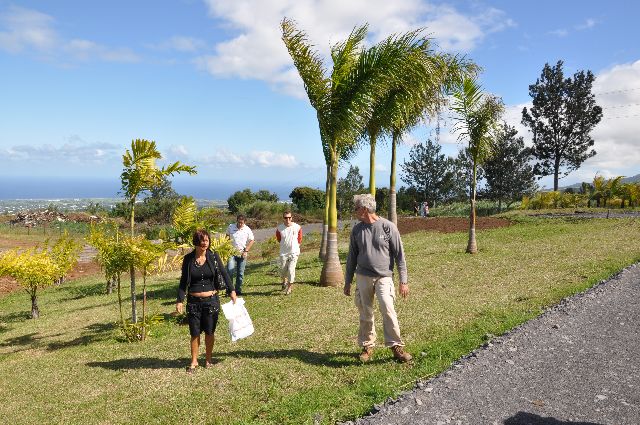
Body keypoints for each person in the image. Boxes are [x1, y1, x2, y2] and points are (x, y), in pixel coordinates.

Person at [344, 194, 412, 363]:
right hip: (363, 276)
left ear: (364, 209)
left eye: (356, 208)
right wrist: (348, 281)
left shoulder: (388, 227)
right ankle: (367, 346)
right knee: (365, 312)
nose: (355, 211)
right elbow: (351, 257)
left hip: (384, 277)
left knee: (388, 308)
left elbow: (400, 256)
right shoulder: (357, 230)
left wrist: (403, 281)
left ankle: (396, 346)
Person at [176, 229, 237, 373]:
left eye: (207, 240)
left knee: (210, 331)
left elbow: (224, 273)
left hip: (211, 302)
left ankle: (208, 359)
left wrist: (232, 291)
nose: (205, 243)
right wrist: (180, 300)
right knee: (194, 333)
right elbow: (183, 281)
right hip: (193, 302)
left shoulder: (213, 256)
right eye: (202, 241)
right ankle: (194, 361)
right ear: (196, 242)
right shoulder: (188, 259)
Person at [225, 214, 255, 296]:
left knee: (240, 273)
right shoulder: (231, 227)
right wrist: (227, 245)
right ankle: (230, 290)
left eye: (242, 223)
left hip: (242, 253)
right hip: (231, 252)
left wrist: (246, 250)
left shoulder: (247, 229)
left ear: (244, 222)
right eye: (238, 222)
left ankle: (238, 290)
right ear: (237, 221)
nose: (240, 224)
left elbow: (252, 240)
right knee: (230, 271)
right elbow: (227, 235)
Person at [276, 211, 303, 295]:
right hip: (283, 253)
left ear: (291, 218)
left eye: (289, 217)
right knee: (283, 271)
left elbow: (300, 239)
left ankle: (289, 287)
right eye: (285, 218)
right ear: (283, 218)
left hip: (294, 252)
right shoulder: (279, 228)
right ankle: (284, 281)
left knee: (291, 270)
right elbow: (279, 239)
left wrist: (295, 247)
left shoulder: (297, 227)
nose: (287, 219)